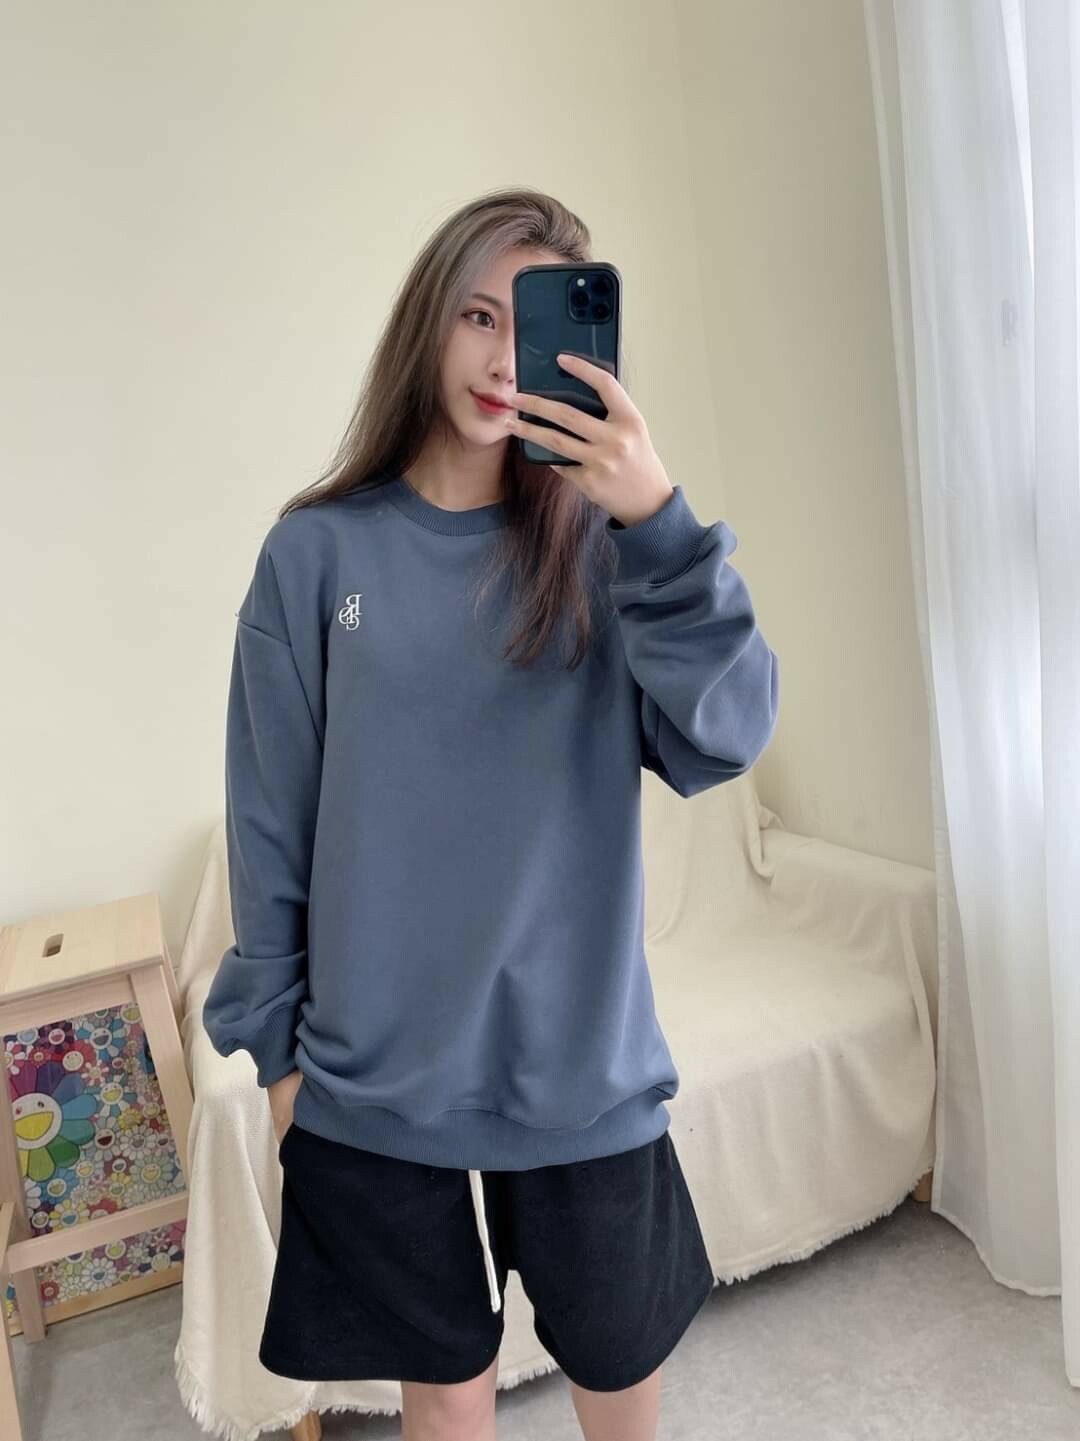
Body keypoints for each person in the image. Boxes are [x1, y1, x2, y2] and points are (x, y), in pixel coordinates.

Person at [202, 186, 780, 1441]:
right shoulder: (315, 556)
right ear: (429, 324)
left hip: (582, 1063)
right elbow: (269, 824)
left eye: (535, 326)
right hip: (373, 1069)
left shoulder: (609, 550)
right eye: (479, 316)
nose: (506, 360)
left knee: (617, 1371)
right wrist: (280, 1058)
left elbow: (729, 734)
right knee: (446, 1386)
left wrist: (659, 522)